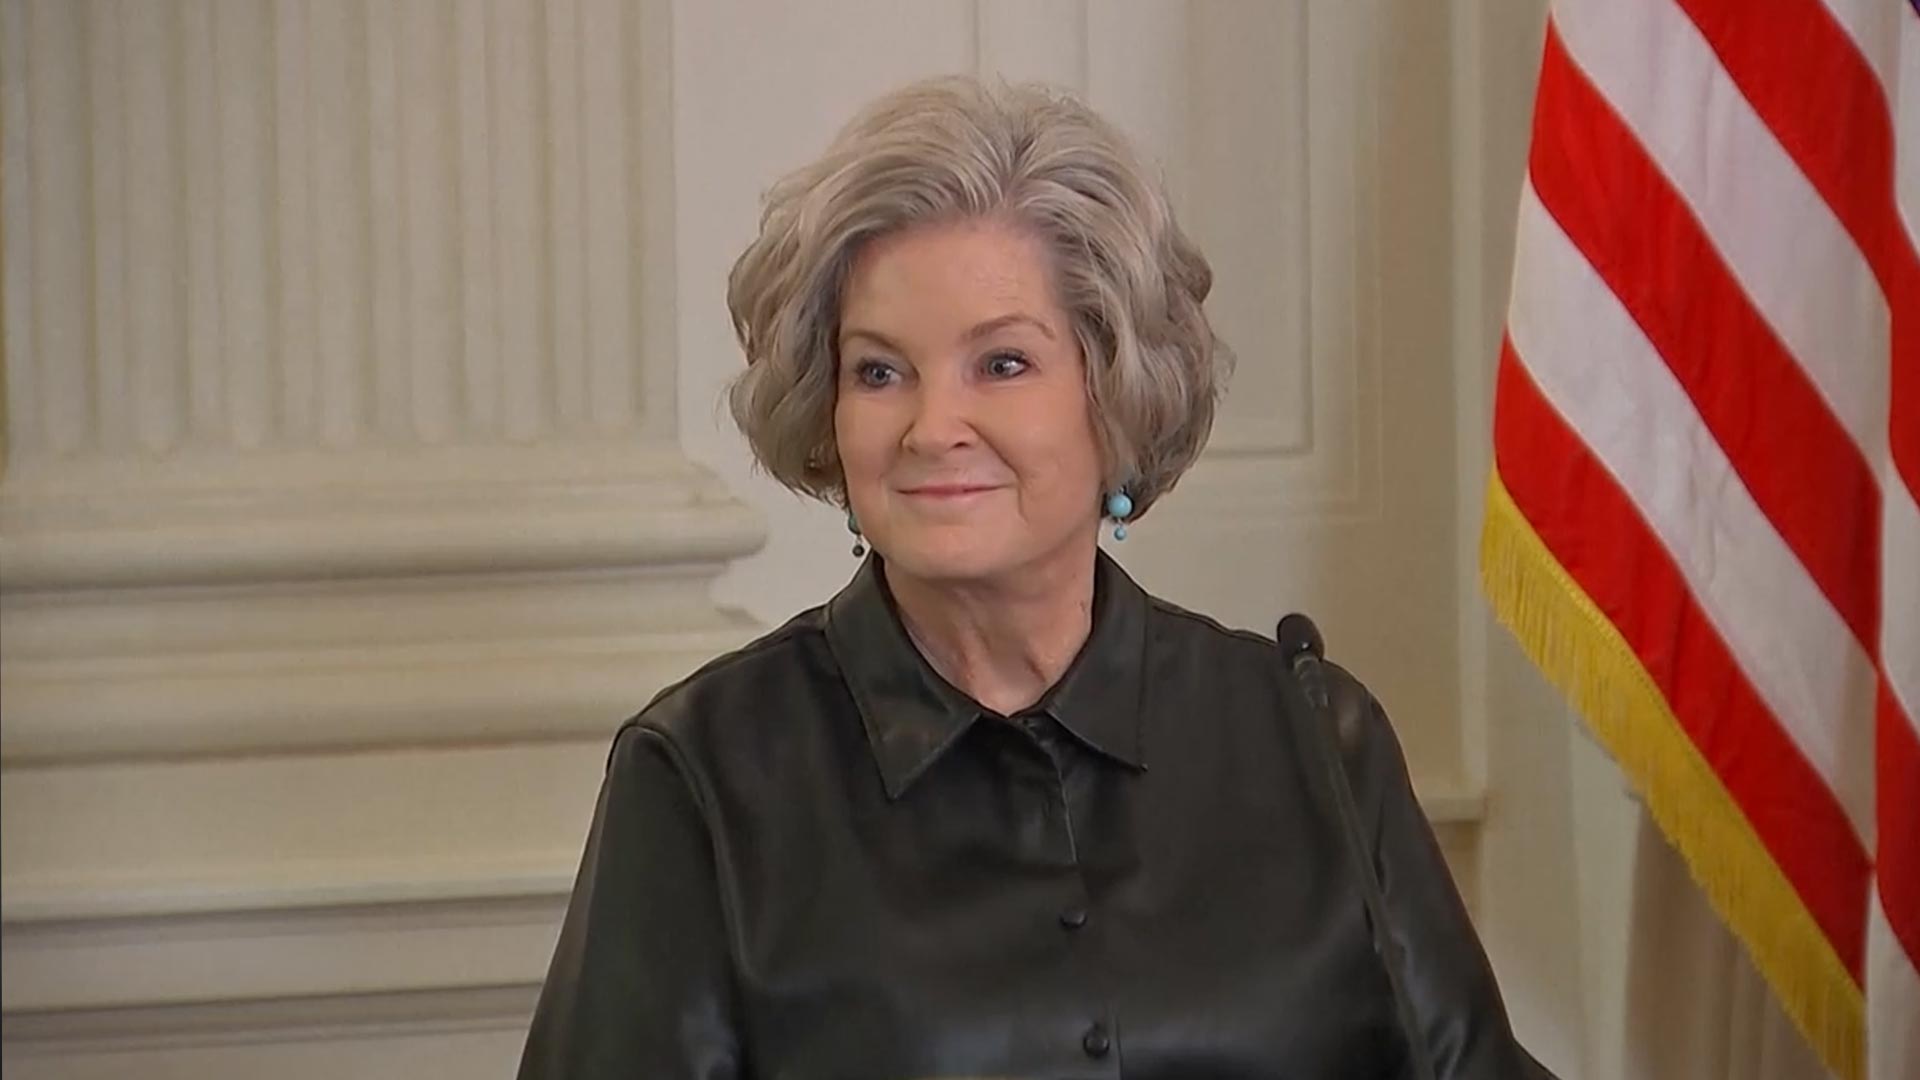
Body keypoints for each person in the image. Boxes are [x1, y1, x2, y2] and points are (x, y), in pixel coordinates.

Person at [518, 75, 1550, 1079]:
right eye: (879, 372)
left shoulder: (1313, 734)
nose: (933, 428)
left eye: (1002, 363)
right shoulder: (703, 772)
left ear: (1117, 392)